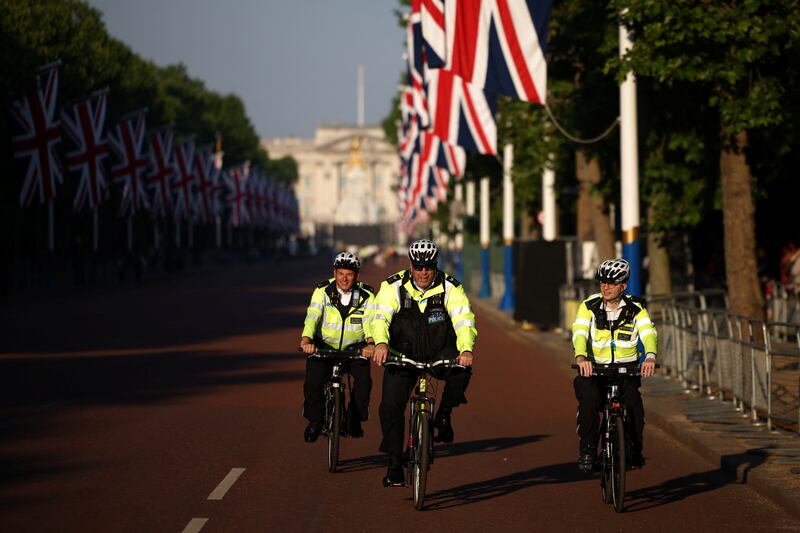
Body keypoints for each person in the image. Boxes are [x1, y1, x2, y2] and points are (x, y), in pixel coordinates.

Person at [371, 239, 477, 487]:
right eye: (418, 267)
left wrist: (466, 349)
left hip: (439, 352)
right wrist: (381, 343)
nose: (423, 273)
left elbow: (464, 320)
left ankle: (444, 413)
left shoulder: (451, 288)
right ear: (410, 265)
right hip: (401, 355)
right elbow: (380, 317)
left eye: (428, 267)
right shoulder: (392, 286)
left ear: (435, 265)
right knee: (389, 408)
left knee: (462, 371)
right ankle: (395, 464)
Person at [572, 258, 657, 473]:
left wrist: (650, 356)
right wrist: (581, 358)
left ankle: (635, 451)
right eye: (602, 282)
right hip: (594, 370)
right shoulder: (589, 306)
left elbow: (647, 332)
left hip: (625, 371)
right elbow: (579, 332)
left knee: (635, 406)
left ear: (623, 285)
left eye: (612, 283)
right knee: (589, 402)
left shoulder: (636, 307)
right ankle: (588, 451)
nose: (606, 287)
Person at [299, 251, 376, 443]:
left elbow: (371, 323)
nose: (344, 278)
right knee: (313, 383)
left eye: (349, 274)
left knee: (364, 383)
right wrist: (306, 339)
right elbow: (313, 316)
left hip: (355, 348)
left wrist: (370, 344)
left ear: (356, 275)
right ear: (334, 273)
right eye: (341, 273)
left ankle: (354, 419)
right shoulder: (322, 291)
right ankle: (316, 421)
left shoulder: (367, 295)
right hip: (324, 346)